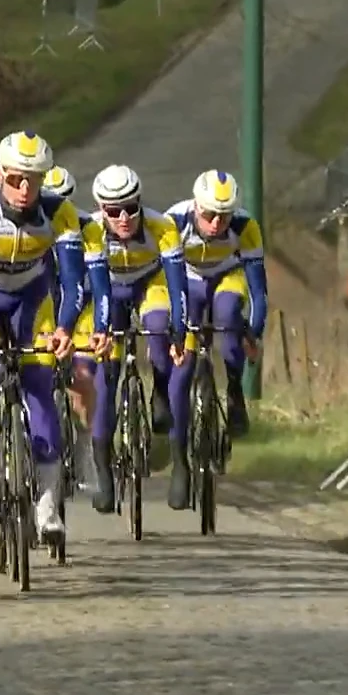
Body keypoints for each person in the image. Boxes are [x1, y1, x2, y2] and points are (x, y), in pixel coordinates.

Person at [0, 131, 93, 541]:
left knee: (40, 389)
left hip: (33, 299)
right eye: (15, 179)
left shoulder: (61, 213)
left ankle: (48, 507)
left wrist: (65, 329)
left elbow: (73, 283)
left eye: (33, 180)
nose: (23, 189)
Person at [78, 164, 186, 515]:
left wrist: (179, 331)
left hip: (149, 283)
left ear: (141, 203)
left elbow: (176, 284)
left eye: (130, 208)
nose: (123, 217)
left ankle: (159, 391)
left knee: (157, 327)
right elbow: (93, 288)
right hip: (108, 290)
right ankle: (104, 472)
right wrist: (103, 330)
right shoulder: (92, 231)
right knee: (105, 378)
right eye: (112, 210)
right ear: (100, 208)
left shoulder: (162, 227)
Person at [163, 167, 269, 509]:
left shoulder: (245, 226)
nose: (216, 225)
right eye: (209, 215)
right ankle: (179, 461)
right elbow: (168, 281)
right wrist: (177, 330)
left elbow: (257, 289)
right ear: (195, 206)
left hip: (228, 276)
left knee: (226, 317)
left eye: (224, 217)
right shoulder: (174, 222)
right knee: (182, 371)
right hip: (188, 283)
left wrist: (254, 330)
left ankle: (235, 388)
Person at [42, 164, 100, 489]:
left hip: (79, 308)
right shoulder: (24, 226)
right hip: (39, 306)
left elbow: (91, 283)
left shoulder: (86, 227)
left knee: (82, 378)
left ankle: (84, 447)